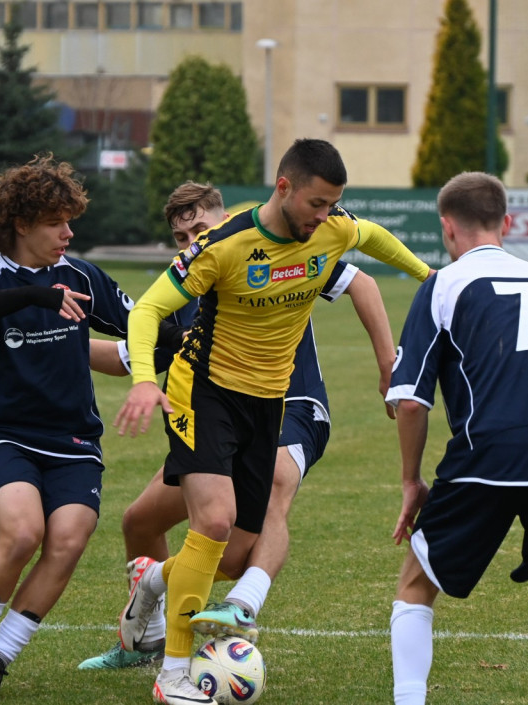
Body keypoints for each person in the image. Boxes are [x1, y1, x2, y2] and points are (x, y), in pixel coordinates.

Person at [114, 138, 434, 705]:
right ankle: (173, 678)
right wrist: (143, 378)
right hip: (205, 395)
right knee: (213, 522)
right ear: (283, 187)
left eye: (333, 205)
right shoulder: (223, 246)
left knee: (236, 553)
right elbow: (148, 310)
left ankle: (156, 578)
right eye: (317, 203)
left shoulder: (331, 227)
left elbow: (373, 240)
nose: (325, 216)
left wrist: (428, 276)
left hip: (269, 404)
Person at [384, 172, 528, 705]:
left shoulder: (443, 285)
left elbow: (410, 402)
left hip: (485, 453)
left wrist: (410, 481)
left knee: (416, 583)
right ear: (507, 224)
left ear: (447, 229)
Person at [0, 154, 143, 701]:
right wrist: (34, 294)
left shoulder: (81, 275)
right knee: (23, 533)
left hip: (75, 442)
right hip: (6, 436)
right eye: (56, 222)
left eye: (70, 220)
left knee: (69, 540)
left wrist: (187, 325)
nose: (68, 233)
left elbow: (144, 326)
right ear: (22, 224)